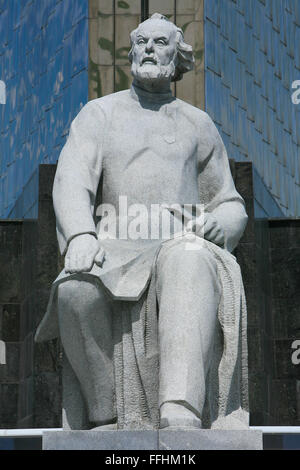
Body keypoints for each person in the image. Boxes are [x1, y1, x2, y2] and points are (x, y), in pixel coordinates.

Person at [35, 14, 249, 430]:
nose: (150, 49)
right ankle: (106, 413)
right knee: (75, 287)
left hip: (180, 241)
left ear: (178, 56)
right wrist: (80, 234)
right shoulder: (99, 114)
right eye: (142, 42)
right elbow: (71, 181)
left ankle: (180, 409)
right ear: (131, 53)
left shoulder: (197, 124)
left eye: (160, 42)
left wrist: (221, 224)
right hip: (115, 242)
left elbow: (229, 202)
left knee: (188, 260)